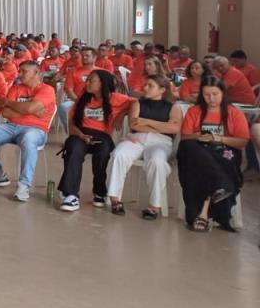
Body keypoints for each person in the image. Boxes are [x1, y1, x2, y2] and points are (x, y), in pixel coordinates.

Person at [0, 61, 57, 201]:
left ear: (36, 72)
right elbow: (6, 113)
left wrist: (13, 104)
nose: (20, 74)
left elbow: (24, 108)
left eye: (24, 71)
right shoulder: (15, 88)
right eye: (20, 71)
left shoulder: (47, 90)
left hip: (36, 130)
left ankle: (24, 185)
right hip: (11, 127)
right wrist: (30, 110)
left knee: (29, 139)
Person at [177, 76, 249, 232]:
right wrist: (199, 135)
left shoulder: (234, 113)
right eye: (206, 95)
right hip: (198, 150)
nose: (211, 99)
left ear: (223, 93)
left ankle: (201, 215)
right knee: (188, 147)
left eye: (215, 94)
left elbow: (242, 141)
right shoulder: (194, 111)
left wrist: (220, 138)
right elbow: (185, 136)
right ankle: (220, 184)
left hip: (225, 151)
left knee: (206, 167)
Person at [104, 73, 182, 218]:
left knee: (157, 162)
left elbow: (174, 129)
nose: (145, 88)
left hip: (161, 142)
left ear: (162, 89)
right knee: (118, 155)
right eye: (145, 85)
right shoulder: (138, 103)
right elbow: (134, 124)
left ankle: (154, 205)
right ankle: (115, 198)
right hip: (136, 139)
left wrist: (146, 122)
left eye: (150, 86)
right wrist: (162, 125)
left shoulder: (173, 107)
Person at [56, 70, 131, 212]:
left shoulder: (115, 98)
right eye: (87, 80)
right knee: (74, 149)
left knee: (104, 152)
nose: (87, 83)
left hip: (102, 136)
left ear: (102, 83)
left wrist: (122, 113)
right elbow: (72, 126)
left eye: (91, 80)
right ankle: (71, 194)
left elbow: (136, 104)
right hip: (80, 134)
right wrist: (82, 136)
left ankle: (99, 191)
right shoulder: (82, 100)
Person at [59, 46, 97, 131]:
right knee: (63, 108)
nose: (84, 58)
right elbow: (69, 90)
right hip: (76, 100)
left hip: (97, 102)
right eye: (82, 55)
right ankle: (71, 131)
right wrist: (79, 101)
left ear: (94, 57)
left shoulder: (102, 72)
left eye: (87, 56)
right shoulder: (73, 72)